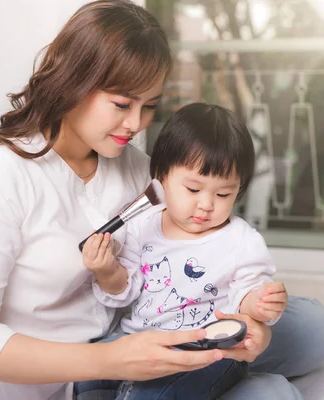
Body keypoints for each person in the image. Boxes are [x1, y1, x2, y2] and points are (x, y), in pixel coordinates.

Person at [0, 1, 324, 400]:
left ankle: (227, 371)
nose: (137, 125)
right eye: (122, 104)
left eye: (149, 106)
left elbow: (191, 235)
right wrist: (110, 361)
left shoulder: (133, 166)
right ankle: (236, 381)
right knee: (270, 396)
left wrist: (254, 324)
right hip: (69, 375)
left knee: (310, 326)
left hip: (148, 336)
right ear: (73, 82)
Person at [76, 103, 290, 400]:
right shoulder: (142, 225)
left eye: (223, 194)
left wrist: (261, 304)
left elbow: (246, 297)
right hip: (139, 340)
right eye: (193, 189)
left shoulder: (241, 240)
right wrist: (106, 270)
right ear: (161, 178)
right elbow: (124, 291)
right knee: (84, 376)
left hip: (208, 351)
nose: (206, 204)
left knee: (152, 393)